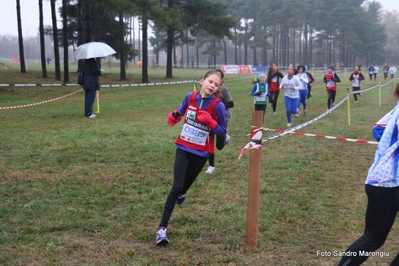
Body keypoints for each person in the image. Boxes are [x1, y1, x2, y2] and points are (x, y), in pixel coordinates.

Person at [156, 70, 227, 245]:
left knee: (182, 189)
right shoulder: (190, 97)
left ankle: (183, 193)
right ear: (202, 81)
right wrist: (174, 116)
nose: (212, 86)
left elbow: (223, 133)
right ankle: (162, 230)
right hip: (183, 148)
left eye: (216, 84)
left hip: (201, 155)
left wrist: (210, 122)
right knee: (176, 187)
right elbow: (180, 111)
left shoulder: (218, 106)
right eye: (210, 81)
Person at [337, 84, 399, 266]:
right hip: (390, 182)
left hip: (381, 180)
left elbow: (378, 129)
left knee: (372, 238)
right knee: (372, 238)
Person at [205, 69, 234, 174]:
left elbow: (231, 104)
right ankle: (211, 166)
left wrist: (218, 107)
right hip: (210, 118)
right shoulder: (208, 88)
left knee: (220, 146)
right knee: (209, 142)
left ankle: (225, 135)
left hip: (223, 118)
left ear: (222, 80)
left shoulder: (224, 90)